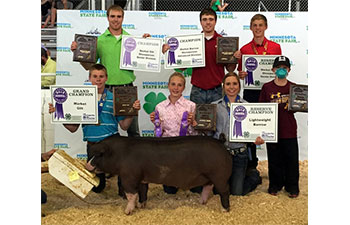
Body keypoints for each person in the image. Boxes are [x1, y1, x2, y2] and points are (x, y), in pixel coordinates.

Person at [49, 64, 140, 194]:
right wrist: (58, 114)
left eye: (101, 76)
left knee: (123, 189)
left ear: (106, 78)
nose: (98, 79)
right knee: (98, 188)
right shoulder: (80, 98)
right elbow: (72, 128)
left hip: (112, 143)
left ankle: (121, 183)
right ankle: (102, 175)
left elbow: (124, 126)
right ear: (89, 78)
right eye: (95, 76)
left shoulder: (115, 98)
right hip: (93, 146)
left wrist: (132, 111)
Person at [71, 4, 140, 138]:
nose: (115, 19)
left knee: (133, 131)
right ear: (107, 18)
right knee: (106, 130)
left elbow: (144, 59)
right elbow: (88, 66)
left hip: (127, 89)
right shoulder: (99, 41)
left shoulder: (132, 40)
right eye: (112, 16)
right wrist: (78, 53)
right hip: (105, 90)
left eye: (119, 16)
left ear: (123, 18)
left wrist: (147, 44)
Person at [233, 13, 282, 173]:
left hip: (270, 92)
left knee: (272, 129)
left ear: (266, 27)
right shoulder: (245, 49)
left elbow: (280, 71)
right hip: (251, 93)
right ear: (250, 28)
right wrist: (241, 74)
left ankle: (275, 167)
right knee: (251, 128)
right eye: (255, 25)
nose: (258, 28)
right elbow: (241, 71)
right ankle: (251, 166)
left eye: (261, 25)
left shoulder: (275, 47)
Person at [162, 8, 236, 104]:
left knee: (218, 119)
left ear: (215, 21)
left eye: (211, 19)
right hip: (197, 90)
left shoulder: (224, 42)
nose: (208, 22)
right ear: (200, 22)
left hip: (217, 90)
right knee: (195, 119)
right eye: (204, 19)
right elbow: (181, 67)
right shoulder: (193, 42)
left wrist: (234, 58)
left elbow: (230, 69)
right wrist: (169, 53)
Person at [212, 72, 264, 195]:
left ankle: (253, 177)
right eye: (228, 84)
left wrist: (256, 139)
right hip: (221, 154)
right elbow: (208, 130)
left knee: (236, 193)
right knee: (218, 192)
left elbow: (252, 130)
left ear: (239, 86)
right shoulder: (215, 106)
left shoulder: (247, 106)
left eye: (235, 84)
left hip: (240, 154)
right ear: (223, 86)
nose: (231, 87)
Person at [149, 72, 197, 194]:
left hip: (186, 148)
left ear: (184, 87)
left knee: (193, 188)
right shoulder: (160, 107)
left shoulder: (191, 106)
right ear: (168, 86)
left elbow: (194, 133)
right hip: (167, 149)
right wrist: (156, 124)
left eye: (179, 85)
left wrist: (193, 124)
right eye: (173, 84)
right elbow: (158, 133)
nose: (176, 88)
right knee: (169, 191)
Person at [259, 56, 299, 198]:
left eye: (284, 67)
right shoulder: (267, 87)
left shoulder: (294, 88)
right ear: (273, 70)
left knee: (291, 160)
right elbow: (261, 108)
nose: (281, 70)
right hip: (272, 130)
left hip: (289, 129)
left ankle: (292, 187)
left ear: (288, 70)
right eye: (278, 67)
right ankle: (275, 185)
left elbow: (300, 105)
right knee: (274, 159)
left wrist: (296, 105)